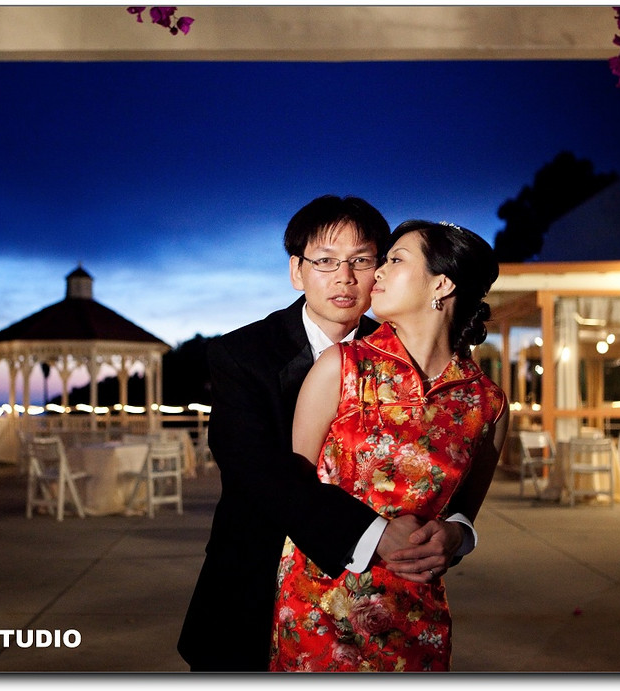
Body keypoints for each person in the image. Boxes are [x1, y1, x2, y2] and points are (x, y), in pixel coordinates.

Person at [177, 198, 479, 672]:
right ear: (296, 271)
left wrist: (456, 534)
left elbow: (444, 464)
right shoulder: (242, 354)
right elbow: (257, 472)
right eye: (325, 261)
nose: (345, 277)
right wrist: (375, 533)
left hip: (377, 607)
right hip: (253, 594)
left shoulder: (408, 354)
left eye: (362, 260)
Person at [269, 219, 509, 672]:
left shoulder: (485, 402)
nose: (377, 271)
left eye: (395, 260)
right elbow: (292, 491)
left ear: (442, 283)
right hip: (321, 608)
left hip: (416, 614)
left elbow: (463, 514)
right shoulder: (342, 366)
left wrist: (456, 537)